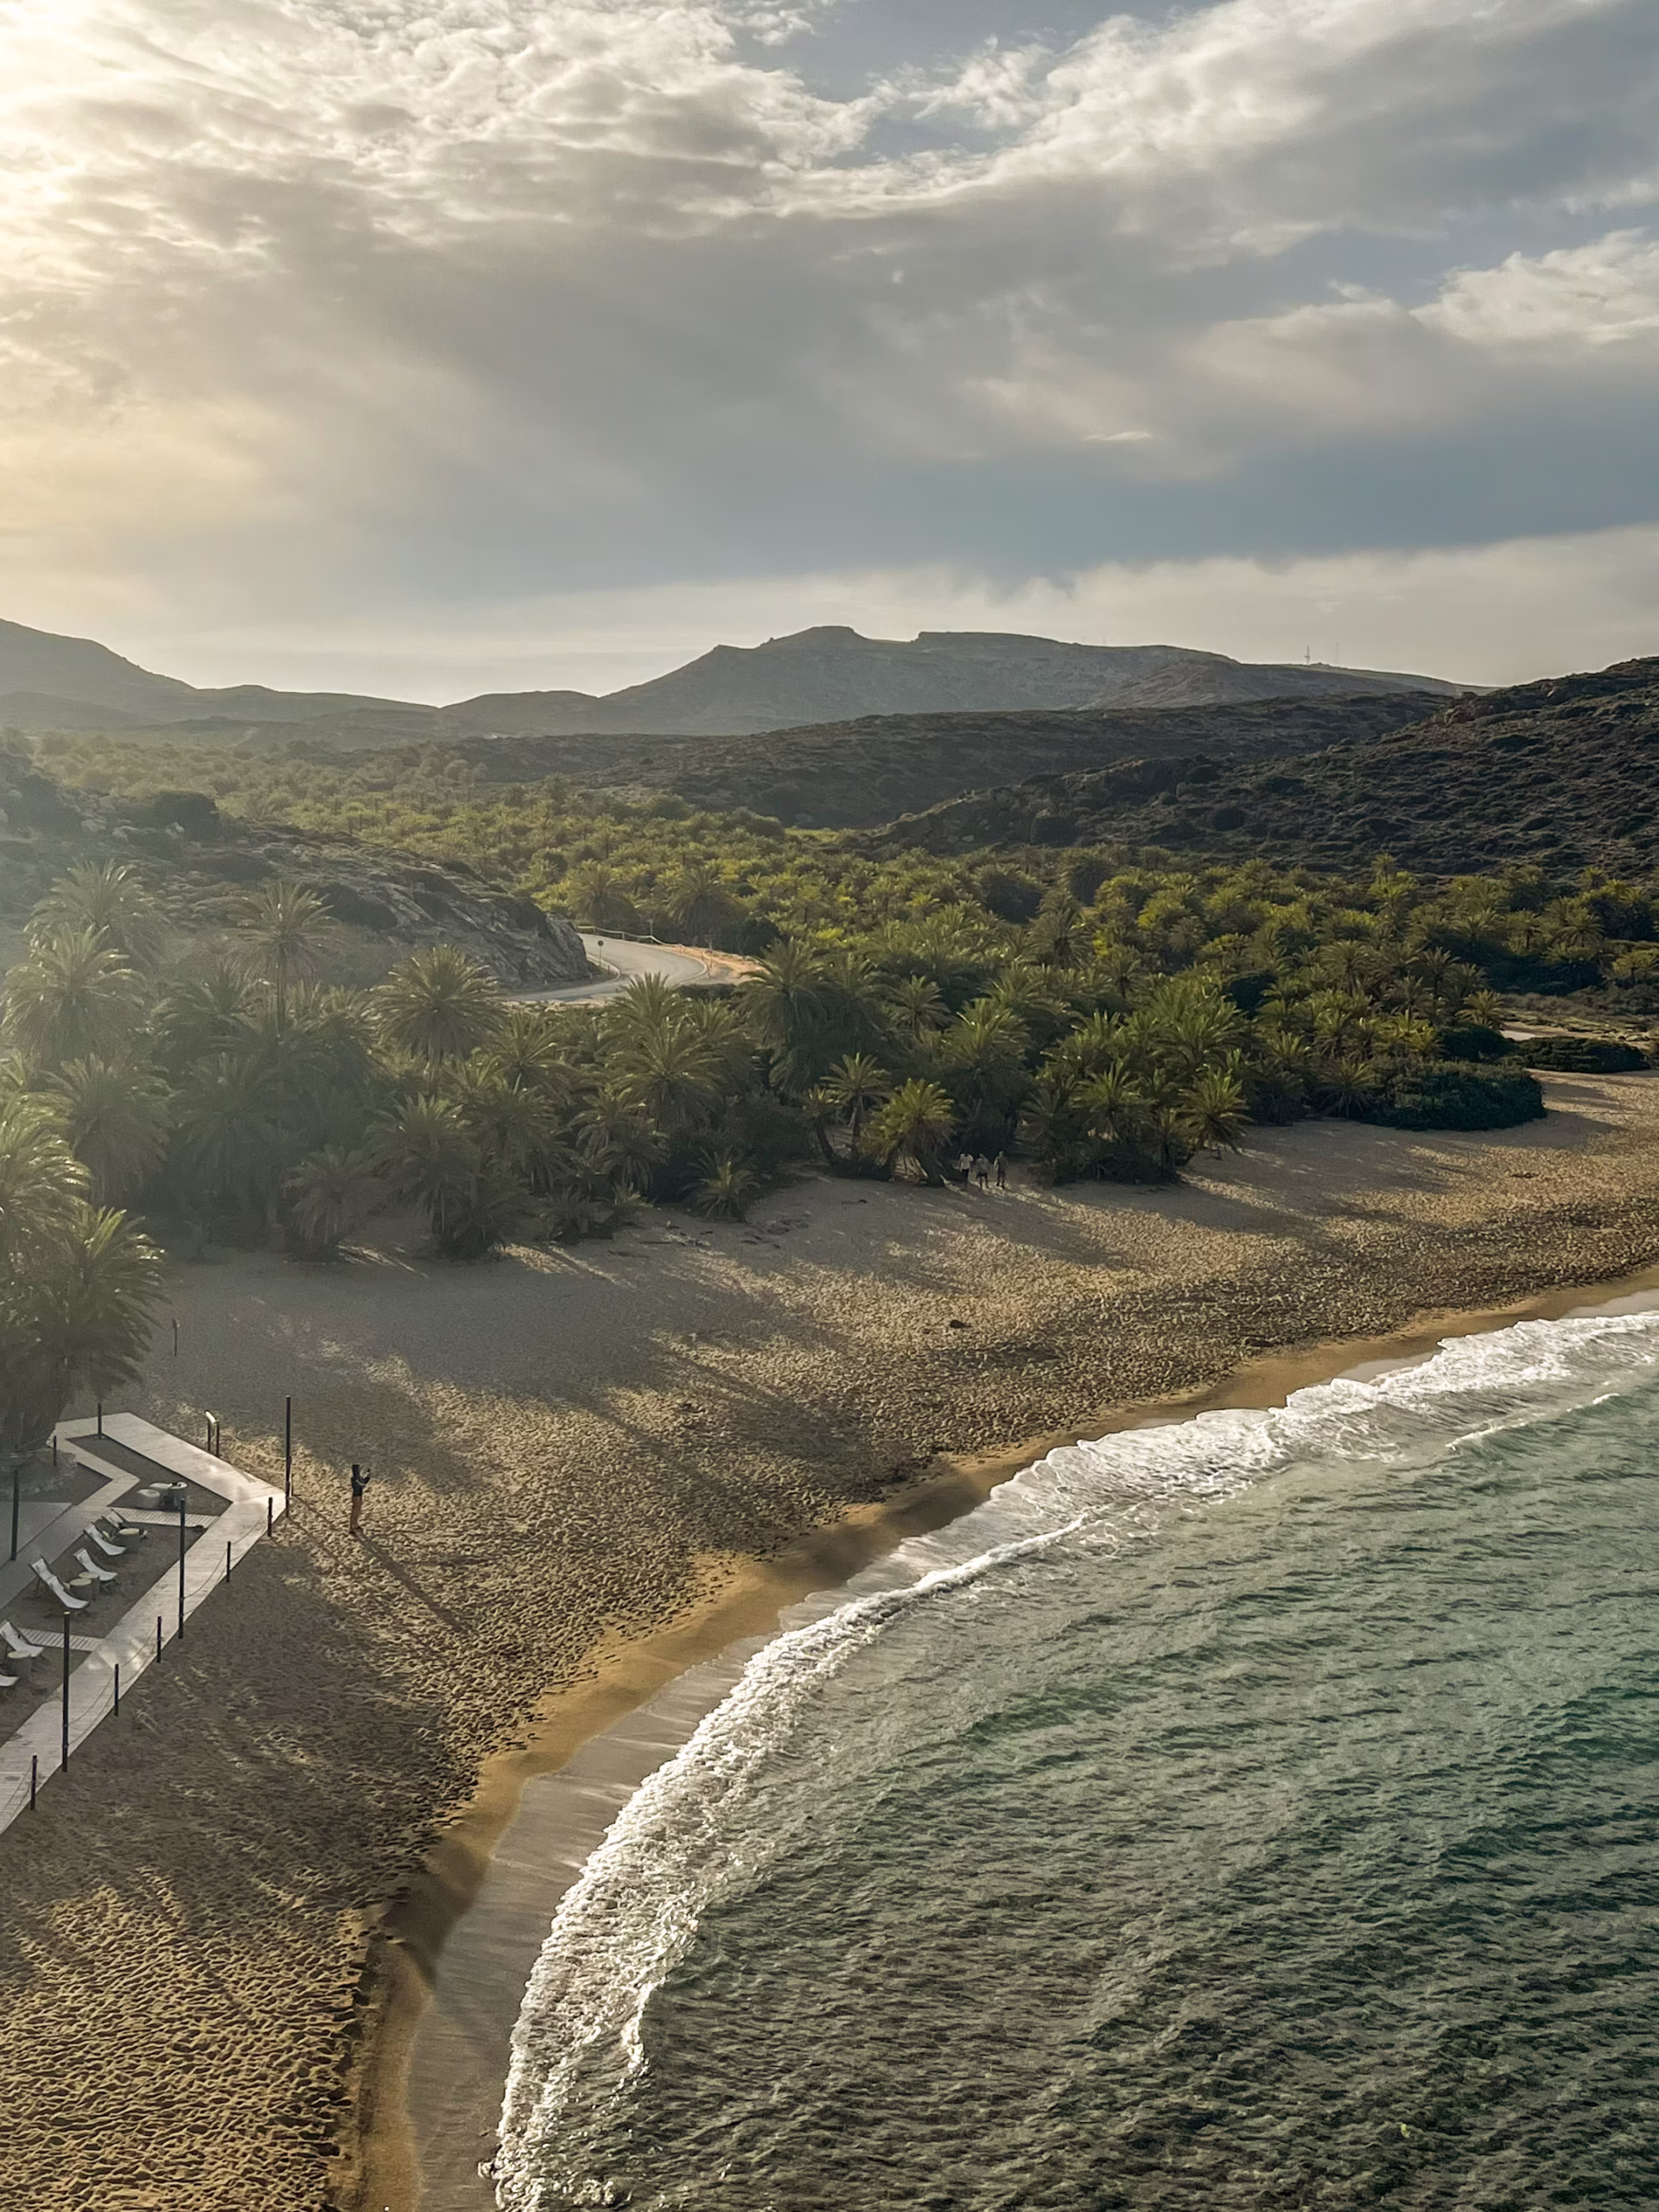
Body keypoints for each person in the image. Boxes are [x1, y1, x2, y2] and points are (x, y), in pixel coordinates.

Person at [349, 1462, 372, 1538]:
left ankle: (355, 1524)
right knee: (355, 1510)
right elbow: (362, 1484)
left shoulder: (357, 1478)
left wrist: (368, 1476)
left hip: (359, 1494)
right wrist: (367, 1478)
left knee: (358, 1510)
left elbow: (363, 1482)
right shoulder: (355, 1479)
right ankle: (351, 1527)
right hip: (356, 1496)